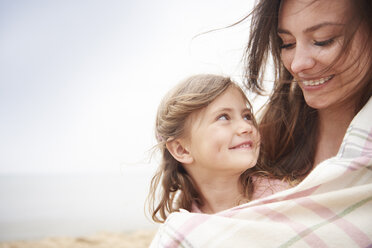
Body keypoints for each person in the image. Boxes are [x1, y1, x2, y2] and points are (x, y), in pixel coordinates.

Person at [149, 0, 372, 247]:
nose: (297, 64)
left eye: (323, 39)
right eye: (286, 44)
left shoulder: (275, 188)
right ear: (180, 149)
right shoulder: (275, 133)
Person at [148, 74, 260, 223]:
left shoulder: (284, 195)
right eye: (223, 117)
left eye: (247, 116)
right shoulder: (182, 229)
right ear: (182, 149)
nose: (246, 127)